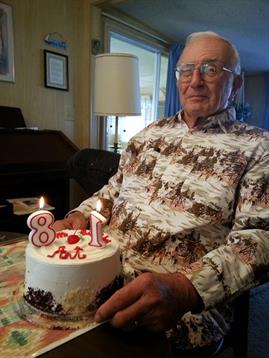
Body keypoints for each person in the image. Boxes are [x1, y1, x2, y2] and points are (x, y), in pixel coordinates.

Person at [54, 31, 269, 357]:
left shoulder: (258, 147)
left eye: (211, 69)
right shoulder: (147, 135)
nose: (195, 80)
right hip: (99, 272)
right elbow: (112, 190)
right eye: (186, 70)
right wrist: (80, 215)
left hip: (180, 306)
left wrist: (186, 288)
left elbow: (260, 239)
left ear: (235, 85)